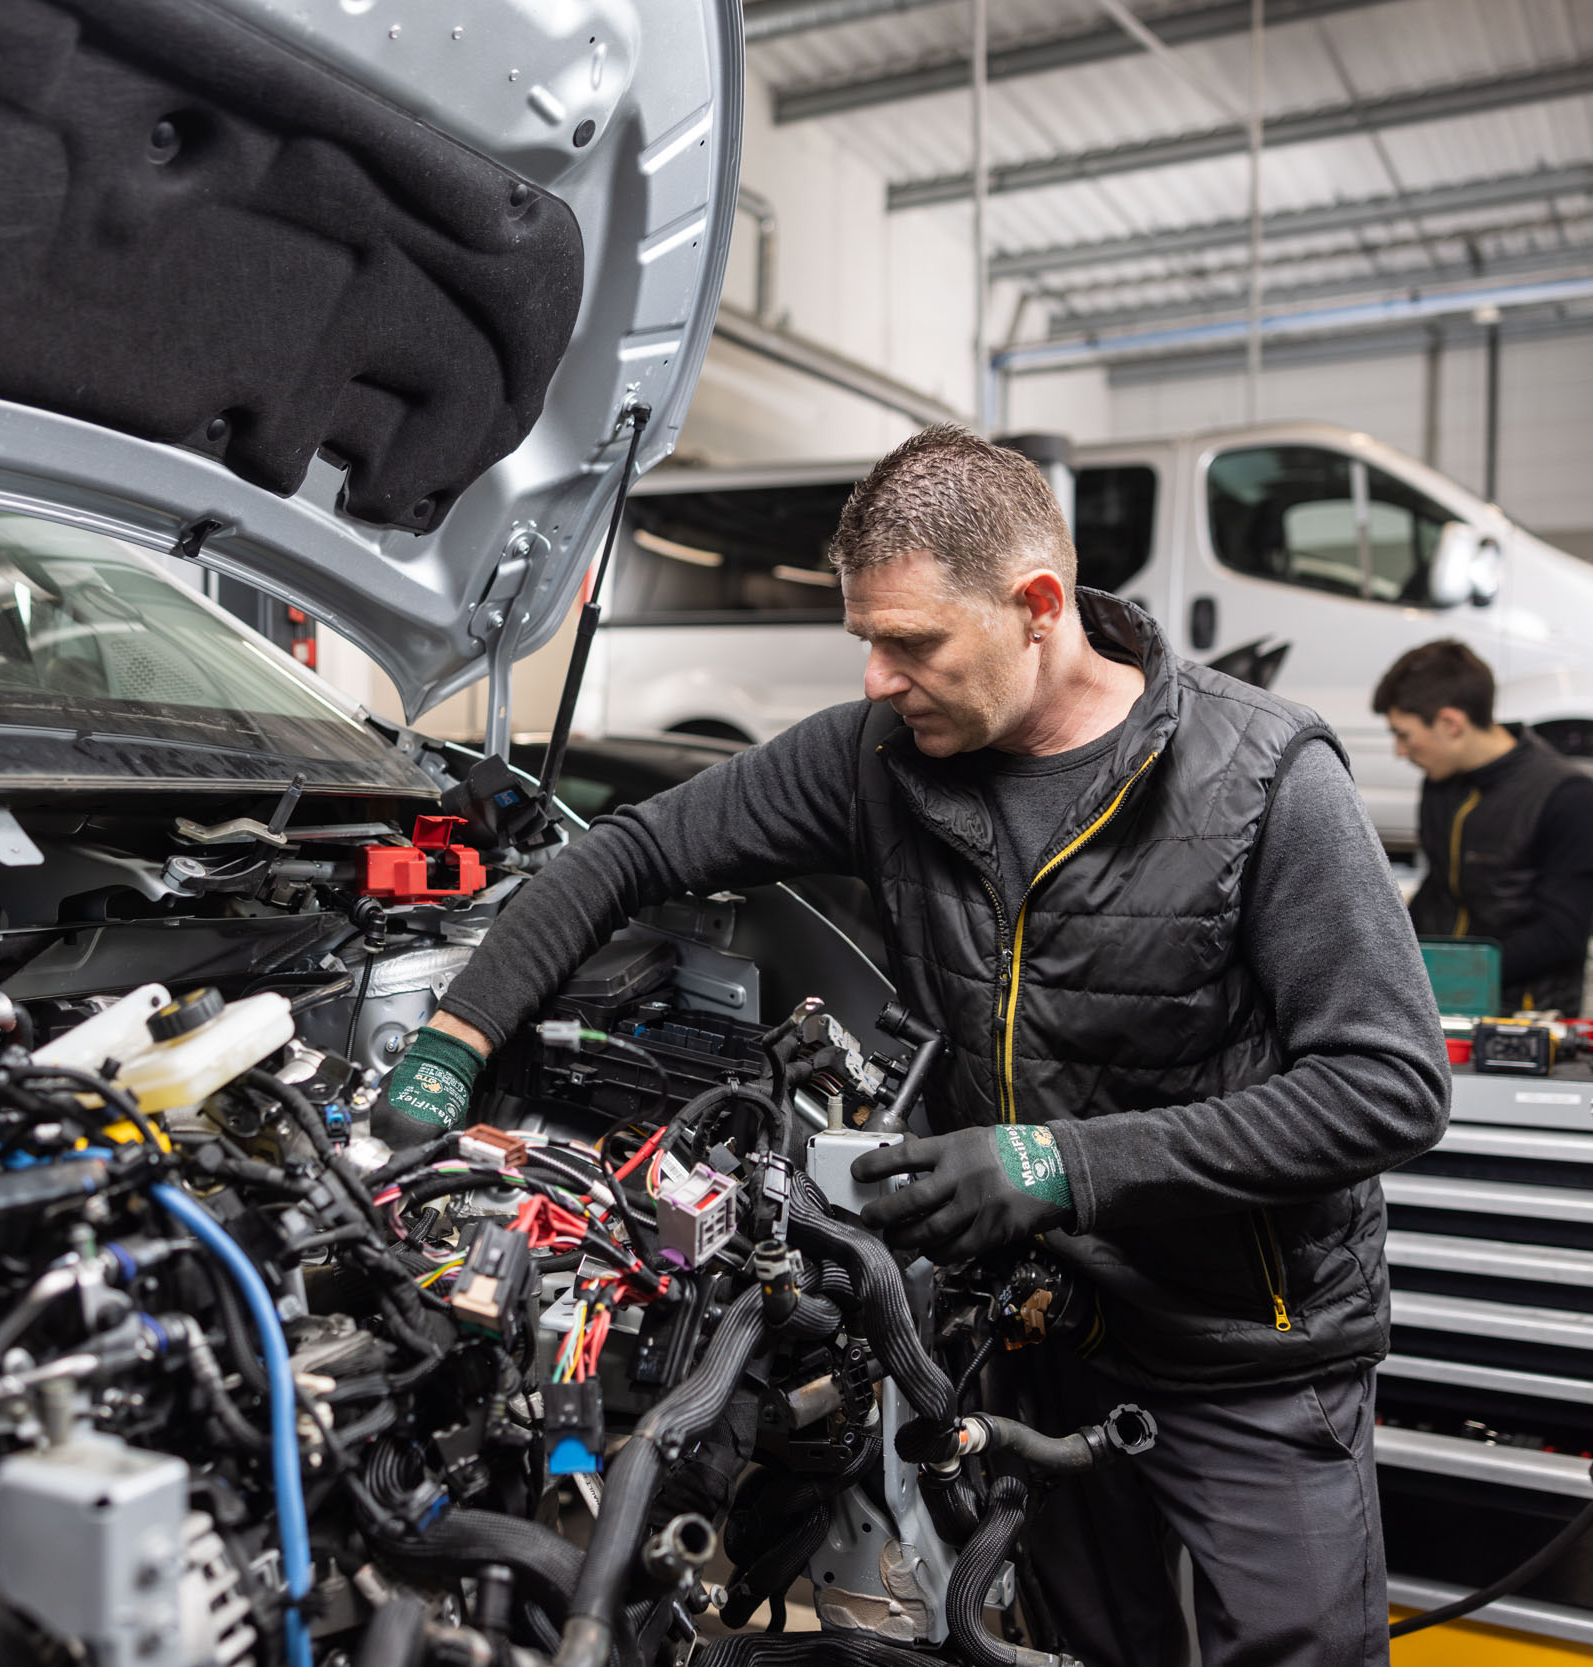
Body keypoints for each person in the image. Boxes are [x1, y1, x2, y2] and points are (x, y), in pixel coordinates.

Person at [379, 426, 1449, 1667]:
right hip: (1043, 1337)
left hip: (1247, 1349)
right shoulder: (877, 758)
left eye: (912, 642)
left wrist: (1059, 1163)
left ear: (1036, 607)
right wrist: (451, 1043)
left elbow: (1387, 1084)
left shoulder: (1263, 776)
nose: (878, 677)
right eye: (865, 640)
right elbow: (629, 850)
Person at [1373, 639, 1593, 1015]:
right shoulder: (1441, 784)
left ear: (1450, 723)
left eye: (1403, 735)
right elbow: (1439, 891)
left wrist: (1450, 974)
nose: (1400, 752)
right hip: (1437, 1004)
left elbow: (1562, 933)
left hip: (1524, 1013)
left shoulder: (1568, 796)